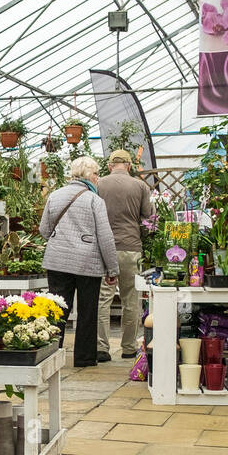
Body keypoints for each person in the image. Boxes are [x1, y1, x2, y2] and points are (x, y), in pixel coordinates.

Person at [39, 156, 119, 368]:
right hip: (88, 264)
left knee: (57, 309)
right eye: (95, 173)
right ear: (86, 175)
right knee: (87, 311)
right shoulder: (94, 200)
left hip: (57, 262)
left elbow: (44, 230)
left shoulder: (54, 196)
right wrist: (112, 269)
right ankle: (84, 358)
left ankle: (51, 355)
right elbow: (105, 237)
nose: (97, 177)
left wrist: (61, 242)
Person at [94, 149, 153, 362]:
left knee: (103, 299)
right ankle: (129, 347)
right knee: (131, 299)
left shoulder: (99, 184)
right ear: (129, 166)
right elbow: (149, 216)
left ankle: (102, 348)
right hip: (131, 247)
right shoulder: (140, 186)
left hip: (103, 249)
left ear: (110, 166)